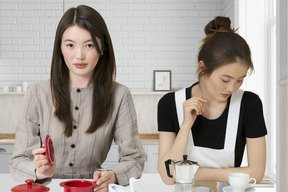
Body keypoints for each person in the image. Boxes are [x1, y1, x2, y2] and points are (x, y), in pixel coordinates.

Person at [9, 5, 146, 192]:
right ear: (60, 48)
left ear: (102, 48)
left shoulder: (119, 95)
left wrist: (113, 175)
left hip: (93, 188)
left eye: (89, 45)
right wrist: (39, 171)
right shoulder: (36, 94)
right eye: (70, 45)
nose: (79, 55)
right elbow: (17, 161)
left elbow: (135, 158)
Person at [157, 16, 267, 191]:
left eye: (239, 80)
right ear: (203, 68)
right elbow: (168, 176)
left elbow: (257, 173)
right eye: (225, 80)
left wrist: (194, 172)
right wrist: (186, 126)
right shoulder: (169, 103)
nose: (232, 88)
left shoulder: (249, 104)